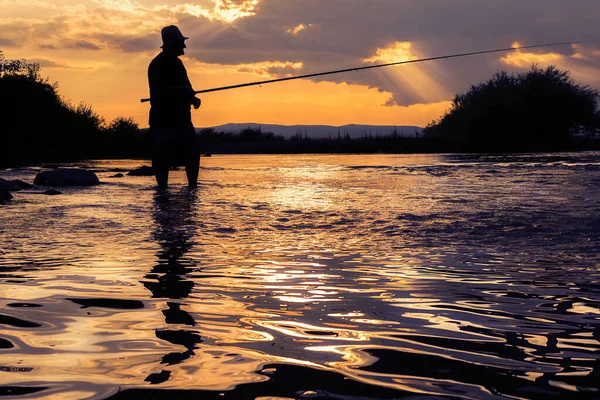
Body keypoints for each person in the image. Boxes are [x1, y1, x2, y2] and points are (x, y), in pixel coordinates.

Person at [148, 25, 201, 189]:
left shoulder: (178, 64)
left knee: (193, 155)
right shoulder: (157, 64)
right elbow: (157, 94)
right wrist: (182, 91)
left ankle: (193, 190)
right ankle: (162, 193)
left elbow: (187, 88)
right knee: (162, 160)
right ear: (173, 43)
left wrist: (193, 98)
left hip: (183, 120)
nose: (184, 46)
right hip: (162, 122)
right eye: (181, 42)